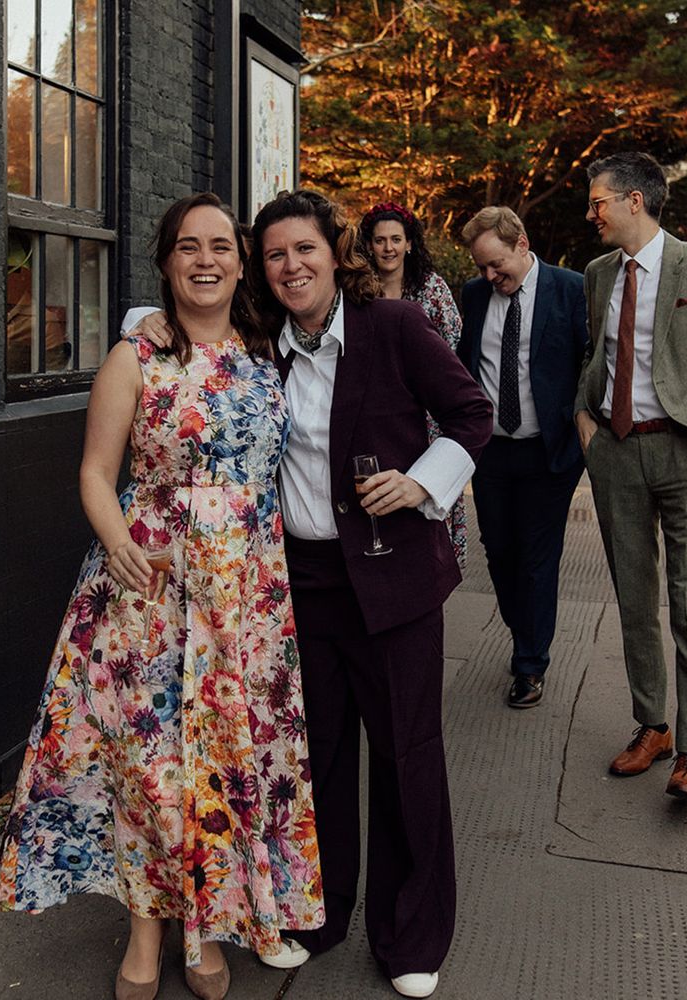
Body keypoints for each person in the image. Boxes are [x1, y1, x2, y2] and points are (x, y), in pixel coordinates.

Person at [129, 190, 492, 998]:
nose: (291, 266)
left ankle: (412, 936)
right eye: (276, 255)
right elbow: (182, 323)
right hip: (299, 587)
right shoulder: (262, 341)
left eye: (307, 251)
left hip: (395, 580)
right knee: (313, 762)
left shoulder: (392, 328)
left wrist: (423, 481)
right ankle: (317, 914)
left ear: (338, 255)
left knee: (406, 755)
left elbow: (472, 412)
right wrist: (136, 324)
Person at [0, 193, 324, 1000]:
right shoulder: (133, 357)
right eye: (188, 247)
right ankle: (147, 932)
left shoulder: (265, 354)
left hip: (244, 595)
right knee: (148, 765)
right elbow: (96, 476)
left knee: (220, 762)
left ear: (241, 263)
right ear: (168, 262)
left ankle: (206, 928)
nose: (205, 259)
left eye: (220, 246)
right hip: (149, 591)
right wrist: (122, 545)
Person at [575, 151, 687, 805]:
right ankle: (654, 727)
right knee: (634, 601)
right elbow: (597, 356)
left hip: (686, 455)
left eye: (598, 202)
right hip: (618, 455)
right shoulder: (595, 275)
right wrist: (586, 428)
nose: (591, 214)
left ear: (634, 201)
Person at [458, 206, 588, 708]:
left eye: (497, 265)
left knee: (537, 558)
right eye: (482, 268)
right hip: (490, 453)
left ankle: (530, 663)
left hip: (548, 454)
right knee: (499, 551)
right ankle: (525, 629)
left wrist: (582, 427)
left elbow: (589, 361)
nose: (491, 277)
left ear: (522, 245)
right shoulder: (475, 296)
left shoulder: (571, 289)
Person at [360, 201, 469, 567]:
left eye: (395, 239)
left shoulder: (432, 289)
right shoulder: (358, 291)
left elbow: (453, 346)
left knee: (427, 494)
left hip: (428, 414)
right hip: (376, 412)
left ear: (409, 244)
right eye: (379, 240)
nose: (388, 248)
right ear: (368, 245)